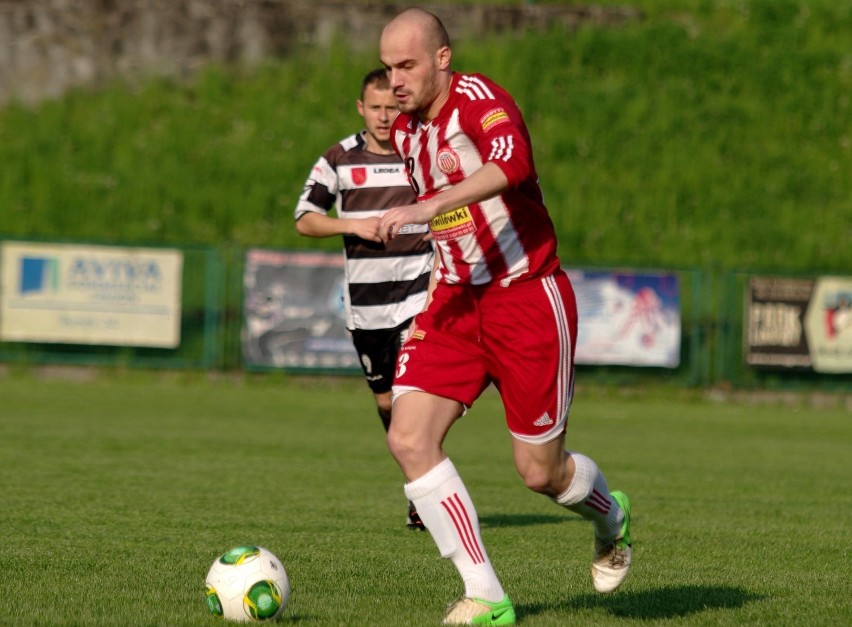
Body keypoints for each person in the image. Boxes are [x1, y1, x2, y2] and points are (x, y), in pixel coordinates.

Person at [378, 8, 633, 625]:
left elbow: (512, 166)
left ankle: (611, 517)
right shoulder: (409, 133)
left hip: (527, 300)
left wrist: (428, 205)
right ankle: (486, 594)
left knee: (539, 474)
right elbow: (449, 227)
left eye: (407, 65)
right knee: (408, 437)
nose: (395, 82)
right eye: (388, 69)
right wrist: (432, 271)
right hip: (458, 304)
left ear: (442, 57)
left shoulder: (481, 99)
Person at [294, 68, 434, 530]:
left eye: (391, 107)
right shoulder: (338, 159)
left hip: (420, 296)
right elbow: (305, 218)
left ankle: (425, 493)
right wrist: (351, 225)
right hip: (367, 307)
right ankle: (422, 479)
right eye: (375, 107)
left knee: (414, 398)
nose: (383, 116)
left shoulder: (422, 149)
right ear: (361, 108)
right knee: (387, 405)